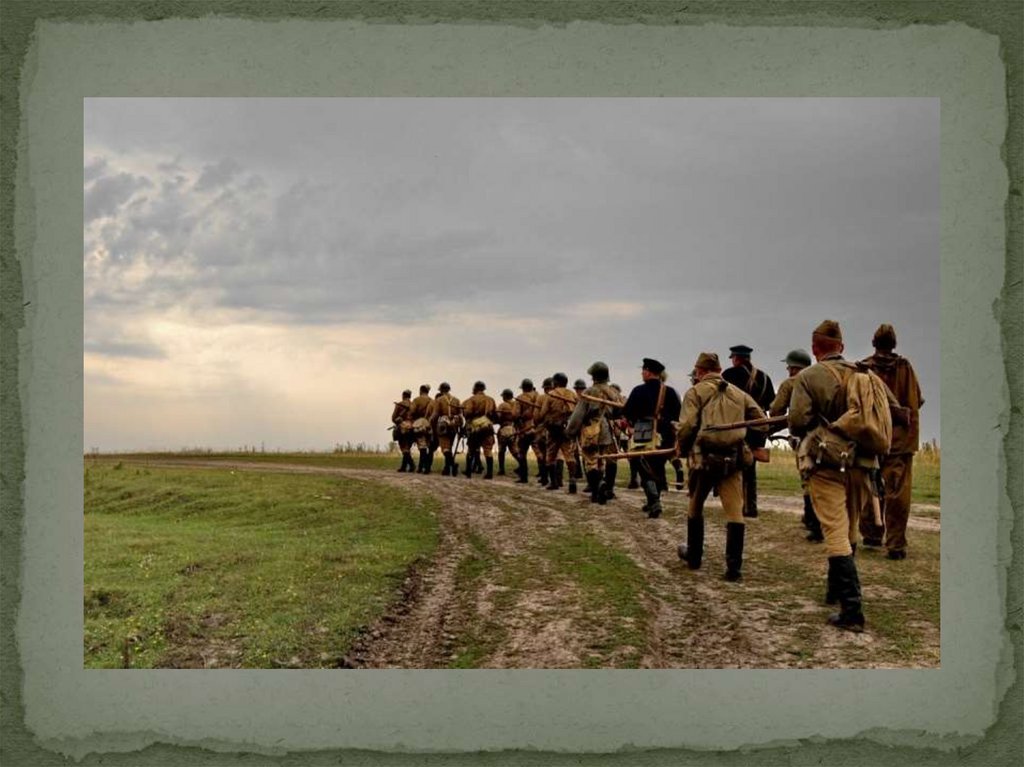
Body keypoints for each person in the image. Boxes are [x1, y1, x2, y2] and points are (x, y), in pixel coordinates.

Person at [788, 319, 873, 632]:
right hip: (863, 462)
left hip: (827, 462)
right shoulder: (864, 375)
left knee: (835, 532)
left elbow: (797, 422)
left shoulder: (809, 376)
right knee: (849, 528)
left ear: (814, 349)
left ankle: (852, 611)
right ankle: (835, 592)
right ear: (842, 347)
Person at [676, 352, 767, 581]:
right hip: (732, 460)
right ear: (718, 370)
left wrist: (682, 448)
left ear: (699, 372)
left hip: (703, 459)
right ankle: (733, 568)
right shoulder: (739, 393)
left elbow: (687, 427)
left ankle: (694, 558)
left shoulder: (695, 392)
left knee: (695, 506)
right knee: (735, 512)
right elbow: (761, 421)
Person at [861, 324, 925, 560]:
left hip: (872, 436)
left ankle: (871, 534)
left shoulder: (864, 367)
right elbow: (917, 400)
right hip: (900, 440)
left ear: (874, 342)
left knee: (870, 485)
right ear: (894, 343)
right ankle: (896, 544)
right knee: (897, 493)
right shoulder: (905, 367)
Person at [768, 349, 823, 542]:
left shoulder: (790, 384)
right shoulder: (821, 379)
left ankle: (813, 522)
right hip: (829, 437)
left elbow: (776, 410)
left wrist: (770, 426)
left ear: (793, 368)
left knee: (807, 479)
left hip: (804, 439)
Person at [622, 358, 682, 518]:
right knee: (658, 466)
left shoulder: (638, 391)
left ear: (648, 372)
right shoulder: (670, 392)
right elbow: (678, 413)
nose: (642, 373)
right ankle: (652, 501)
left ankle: (654, 501)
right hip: (666, 435)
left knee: (644, 467)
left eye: (643, 370)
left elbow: (628, 413)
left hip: (644, 433)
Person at [722, 345, 775, 518]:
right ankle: (751, 506)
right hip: (758, 429)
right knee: (751, 467)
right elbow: (770, 404)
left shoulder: (729, 375)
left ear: (736, 358)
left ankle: (739, 505)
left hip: (738, 425)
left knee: (735, 466)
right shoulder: (765, 378)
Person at [566, 362, 621, 504]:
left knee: (591, 461)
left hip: (591, 429)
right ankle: (604, 487)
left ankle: (597, 489)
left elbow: (578, 415)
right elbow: (618, 412)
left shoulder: (589, 393)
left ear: (593, 376)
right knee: (601, 460)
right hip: (607, 430)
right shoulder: (614, 392)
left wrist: (571, 431)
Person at [536, 373, 579, 493]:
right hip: (568, 429)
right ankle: (572, 480)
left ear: (555, 382)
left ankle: (554, 482)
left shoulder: (551, 395)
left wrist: (541, 419)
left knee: (550, 456)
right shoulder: (572, 394)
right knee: (569, 455)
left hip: (553, 430)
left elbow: (542, 413)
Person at [461, 381, 497, 479]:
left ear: (475, 389)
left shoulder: (471, 400)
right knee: (488, 451)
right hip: (488, 427)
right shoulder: (491, 400)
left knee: (471, 450)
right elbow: (494, 415)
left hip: (475, 428)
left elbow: (468, 413)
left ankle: (468, 472)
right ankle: (489, 473)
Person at [431, 382, 463, 477]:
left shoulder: (439, 400)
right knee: (449, 447)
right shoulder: (457, 400)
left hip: (443, 424)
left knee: (445, 448)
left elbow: (435, 415)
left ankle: (453, 465)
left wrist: (431, 424)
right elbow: (461, 414)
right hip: (454, 425)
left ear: (441, 390)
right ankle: (446, 469)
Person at [514, 378, 541, 484]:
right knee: (539, 453)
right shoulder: (539, 397)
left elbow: (515, 415)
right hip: (537, 427)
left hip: (525, 428)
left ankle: (524, 477)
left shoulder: (520, 398)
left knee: (521, 453)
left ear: (523, 388)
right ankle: (544, 477)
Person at [409, 384, 435, 473]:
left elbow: (411, 412)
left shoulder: (416, 400)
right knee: (427, 445)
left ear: (421, 390)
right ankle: (426, 466)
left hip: (419, 423)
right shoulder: (432, 401)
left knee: (422, 446)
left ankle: (421, 467)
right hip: (429, 424)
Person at [533, 377, 554, 486]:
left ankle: (545, 478)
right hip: (558, 428)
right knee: (557, 455)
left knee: (543, 453)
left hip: (543, 428)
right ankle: (558, 480)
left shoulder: (541, 398)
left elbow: (537, 416)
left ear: (545, 388)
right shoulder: (560, 396)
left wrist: (537, 423)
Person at [495, 389, 521, 477]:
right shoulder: (517, 404)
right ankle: (522, 465)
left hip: (504, 429)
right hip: (514, 429)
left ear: (505, 396)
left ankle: (501, 469)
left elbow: (497, 417)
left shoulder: (503, 405)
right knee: (514, 450)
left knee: (501, 450)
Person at [390, 390, 416, 472]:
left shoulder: (400, 404)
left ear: (403, 395)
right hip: (413, 427)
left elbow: (393, 418)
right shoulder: (413, 405)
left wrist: (398, 420)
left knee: (404, 448)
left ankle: (411, 464)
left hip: (403, 427)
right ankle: (404, 467)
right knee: (407, 447)